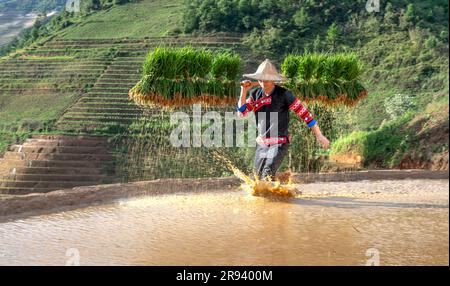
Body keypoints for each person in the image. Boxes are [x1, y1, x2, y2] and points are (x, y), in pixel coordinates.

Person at [237, 59, 330, 180]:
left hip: (279, 143)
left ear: (273, 80)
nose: (263, 82)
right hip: (262, 143)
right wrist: (243, 90)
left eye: (266, 79)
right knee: (256, 178)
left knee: (267, 175)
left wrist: (319, 135)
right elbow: (241, 112)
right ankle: (277, 192)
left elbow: (305, 114)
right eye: (260, 79)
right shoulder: (255, 95)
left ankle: (276, 196)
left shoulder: (284, 94)